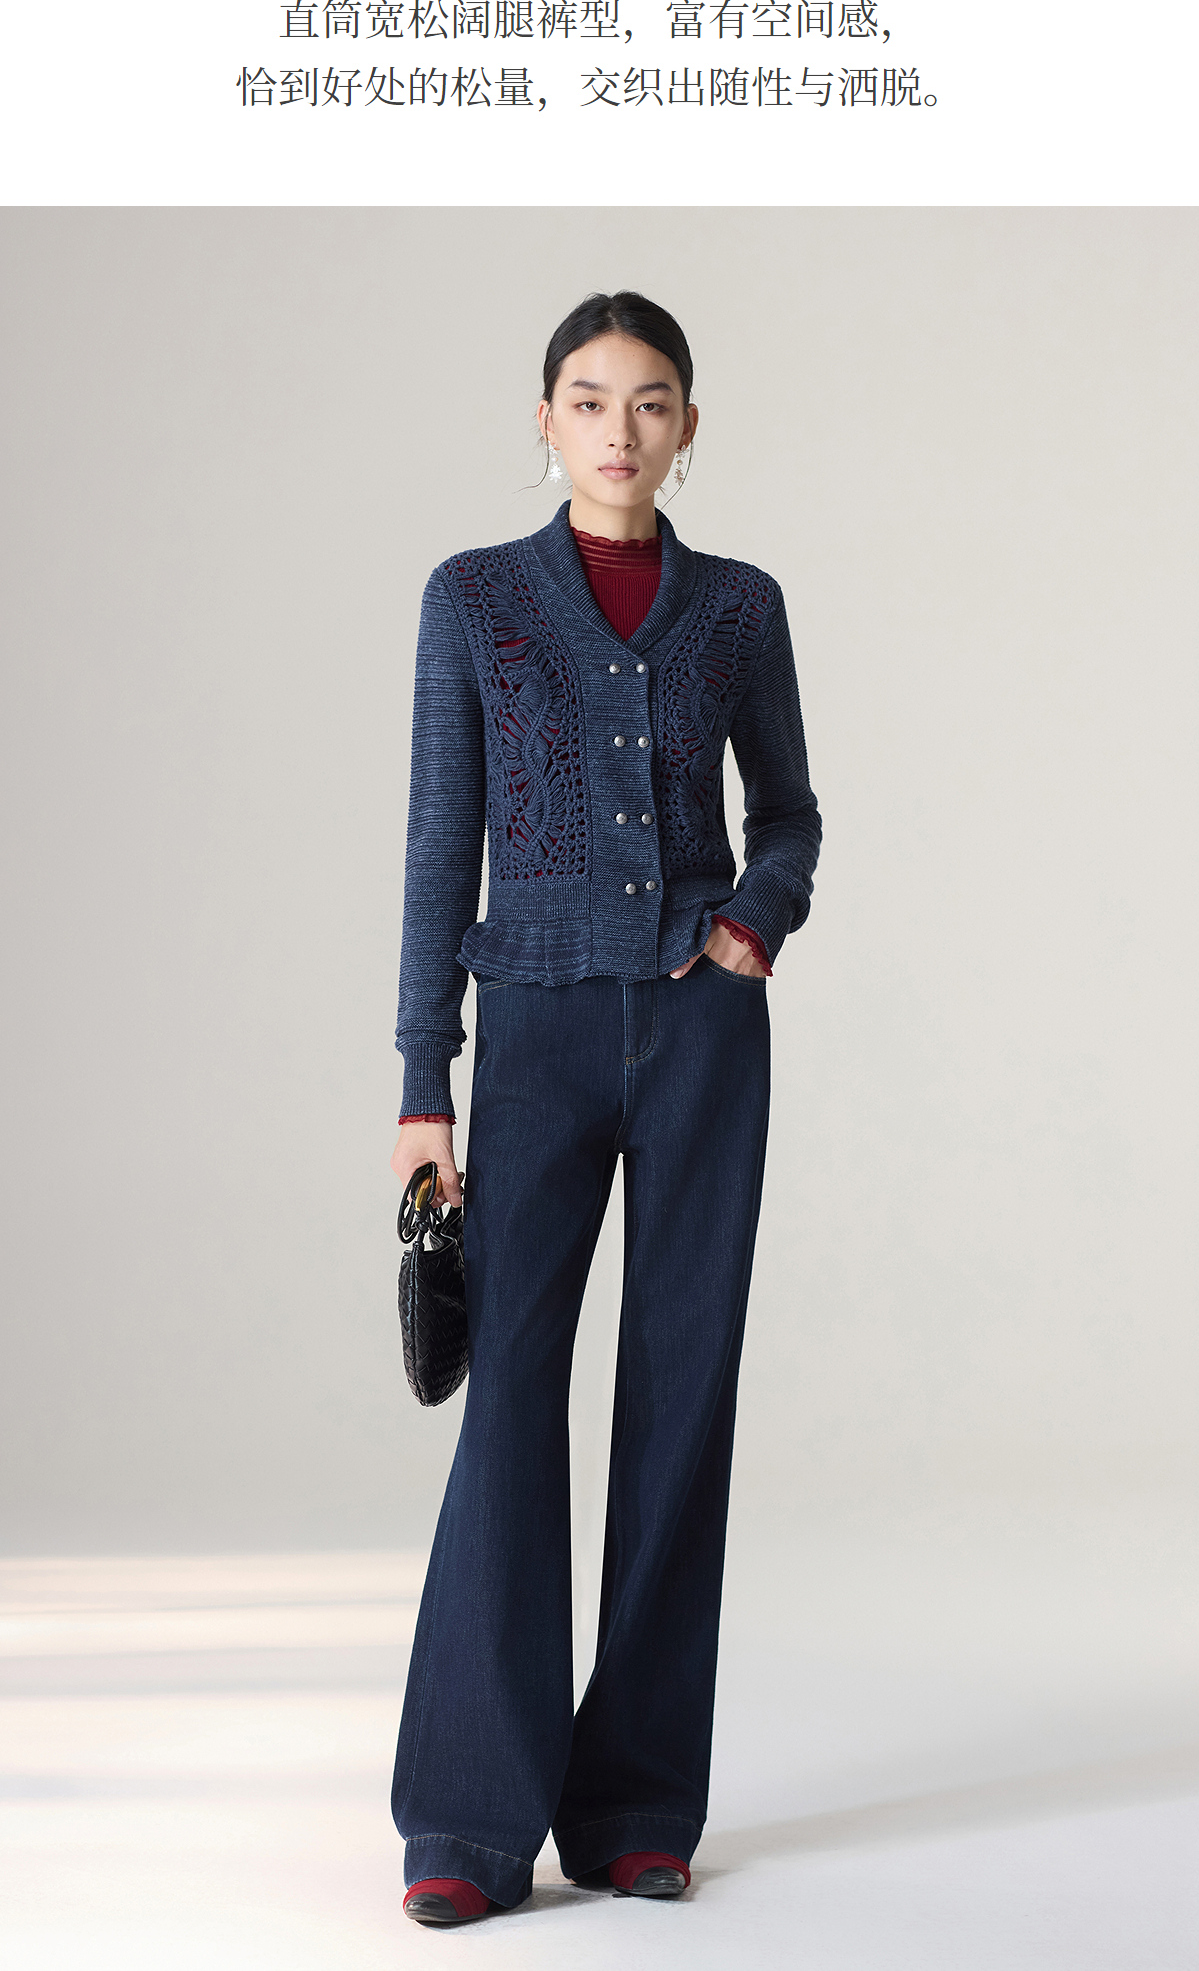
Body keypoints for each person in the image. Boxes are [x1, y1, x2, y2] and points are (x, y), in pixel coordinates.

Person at [389, 291, 821, 1926]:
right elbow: (442, 843)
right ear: (546, 420)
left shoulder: (739, 608)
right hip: (538, 1034)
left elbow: (790, 813)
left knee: (681, 1397)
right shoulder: (476, 600)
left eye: (649, 402)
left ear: (687, 427)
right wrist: (422, 1083)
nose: (619, 429)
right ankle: (467, 1816)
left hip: (704, 1035)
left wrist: (751, 924)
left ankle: (637, 1804)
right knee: (511, 1399)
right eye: (588, 399)